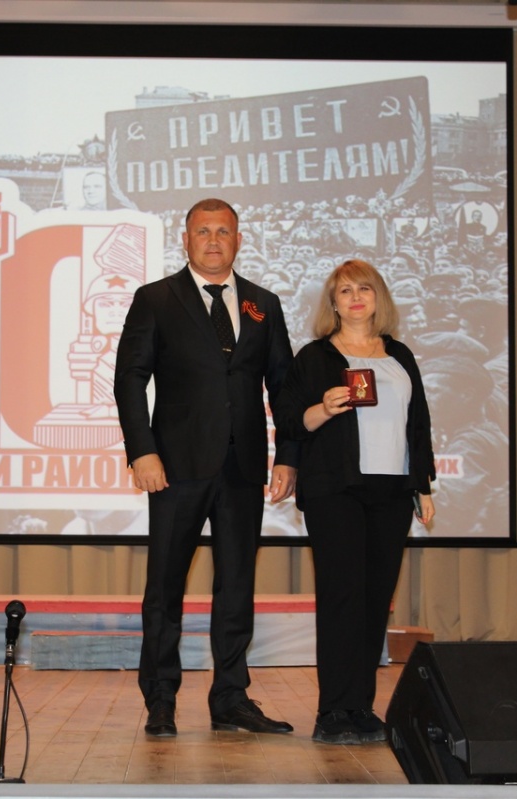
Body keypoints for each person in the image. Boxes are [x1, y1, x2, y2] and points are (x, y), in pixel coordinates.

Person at [114, 198, 299, 738]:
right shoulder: (155, 298)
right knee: (165, 585)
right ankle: (161, 699)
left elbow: (284, 387)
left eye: (223, 231)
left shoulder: (263, 303)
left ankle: (231, 698)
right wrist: (142, 451)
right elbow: (130, 379)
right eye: (203, 231)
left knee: (237, 586)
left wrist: (288, 455)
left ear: (238, 240)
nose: (213, 240)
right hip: (174, 466)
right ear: (186, 240)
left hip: (243, 468)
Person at [272, 258, 436, 745]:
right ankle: (333, 712)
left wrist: (423, 485)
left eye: (365, 288)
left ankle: (361, 708)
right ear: (334, 304)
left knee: (373, 601)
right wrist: (323, 408)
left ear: (378, 297)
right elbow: (290, 420)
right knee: (342, 598)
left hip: (392, 491)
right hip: (336, 489)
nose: (356, 298)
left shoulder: (399, 355)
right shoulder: (315, 356)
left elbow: (418, 422)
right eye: (345, 291)